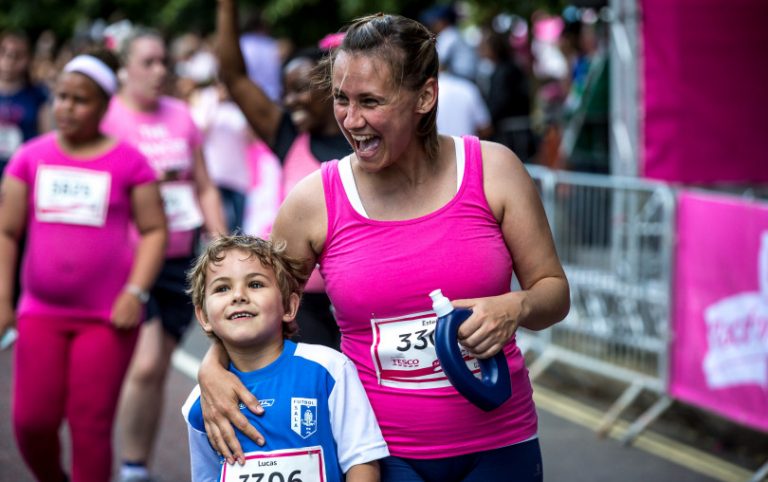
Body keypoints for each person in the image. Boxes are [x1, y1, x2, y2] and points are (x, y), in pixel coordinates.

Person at [198, 13, 570, 482]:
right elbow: (260, 306)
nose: (352, 121)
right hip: (375, 454)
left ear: (425, 97)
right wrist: (212, 366)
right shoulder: (315, 201)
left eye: (370, 102)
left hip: (501, 442)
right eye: (340, 100)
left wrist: (516, 306)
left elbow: (553, 291)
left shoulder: (494, 170)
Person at [0, 50, 167, 482]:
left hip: (106, 319)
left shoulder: (129, 161)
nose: (67, 108)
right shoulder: (30, 157)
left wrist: (136, 292)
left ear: (104, 106)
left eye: (81, 100)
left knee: (89, 426)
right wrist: (3, 300)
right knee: (31, 422)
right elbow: (6, 232)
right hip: (40, 313)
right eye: (61, 97)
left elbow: (154, 230)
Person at [99, 28, 227, 482]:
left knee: (155, 369)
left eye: (163, 63)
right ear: (124, 69)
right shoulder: (109, 119)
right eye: (148, 63)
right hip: (129, 259)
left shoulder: (181, 116)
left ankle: (137, 462)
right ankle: (130, 464)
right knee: (149, 361)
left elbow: (204, 185)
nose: (159, 72)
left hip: (180, 259)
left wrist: (220, 241)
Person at [182, 234, 389, 481]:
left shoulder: (329, 370)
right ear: (203, 316)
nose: (238, 296)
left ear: (289, 307)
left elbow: (362, 461)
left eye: (255, 284)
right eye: (222, 288)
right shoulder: (201, 402)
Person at [217, 0, 350, 349]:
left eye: (300, 89)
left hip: (364, 302)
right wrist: (226, 8)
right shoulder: (288, 136)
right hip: (304, 305)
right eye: (285, 90)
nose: (289, 101)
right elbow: (234, 78)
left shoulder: (370, 145)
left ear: (332, 88)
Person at [0, 30, 51, 175]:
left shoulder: (38, 94)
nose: (9, 61)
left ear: (28, 59)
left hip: (22, 173)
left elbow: (46, 138)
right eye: (4, 53)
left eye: (17, 56)